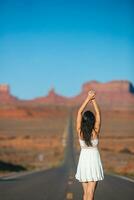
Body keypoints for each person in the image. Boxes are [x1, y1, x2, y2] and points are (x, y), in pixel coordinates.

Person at [75, 90, 104, 200]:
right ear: (93, 121)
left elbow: (79, 112)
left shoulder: (80, 132)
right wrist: (93, 100)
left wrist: (88, 98)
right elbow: (98, 114)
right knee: (90, 192)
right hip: (93, 161)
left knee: (86, 193)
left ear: (83, 121)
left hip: (83, 160)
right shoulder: (95, 131)